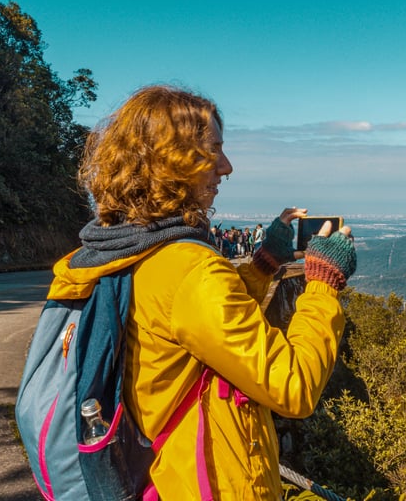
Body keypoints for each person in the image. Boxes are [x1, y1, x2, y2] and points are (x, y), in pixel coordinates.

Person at [47, 84, 357, 500]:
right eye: (213, 150)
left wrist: (264, 264)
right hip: (213, 483)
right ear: (170, 161)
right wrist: (323, 284)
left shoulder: (129, 249)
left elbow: (205, 325)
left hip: (169, 474)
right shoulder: (190, 269)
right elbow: (293, 385)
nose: (226, 167)